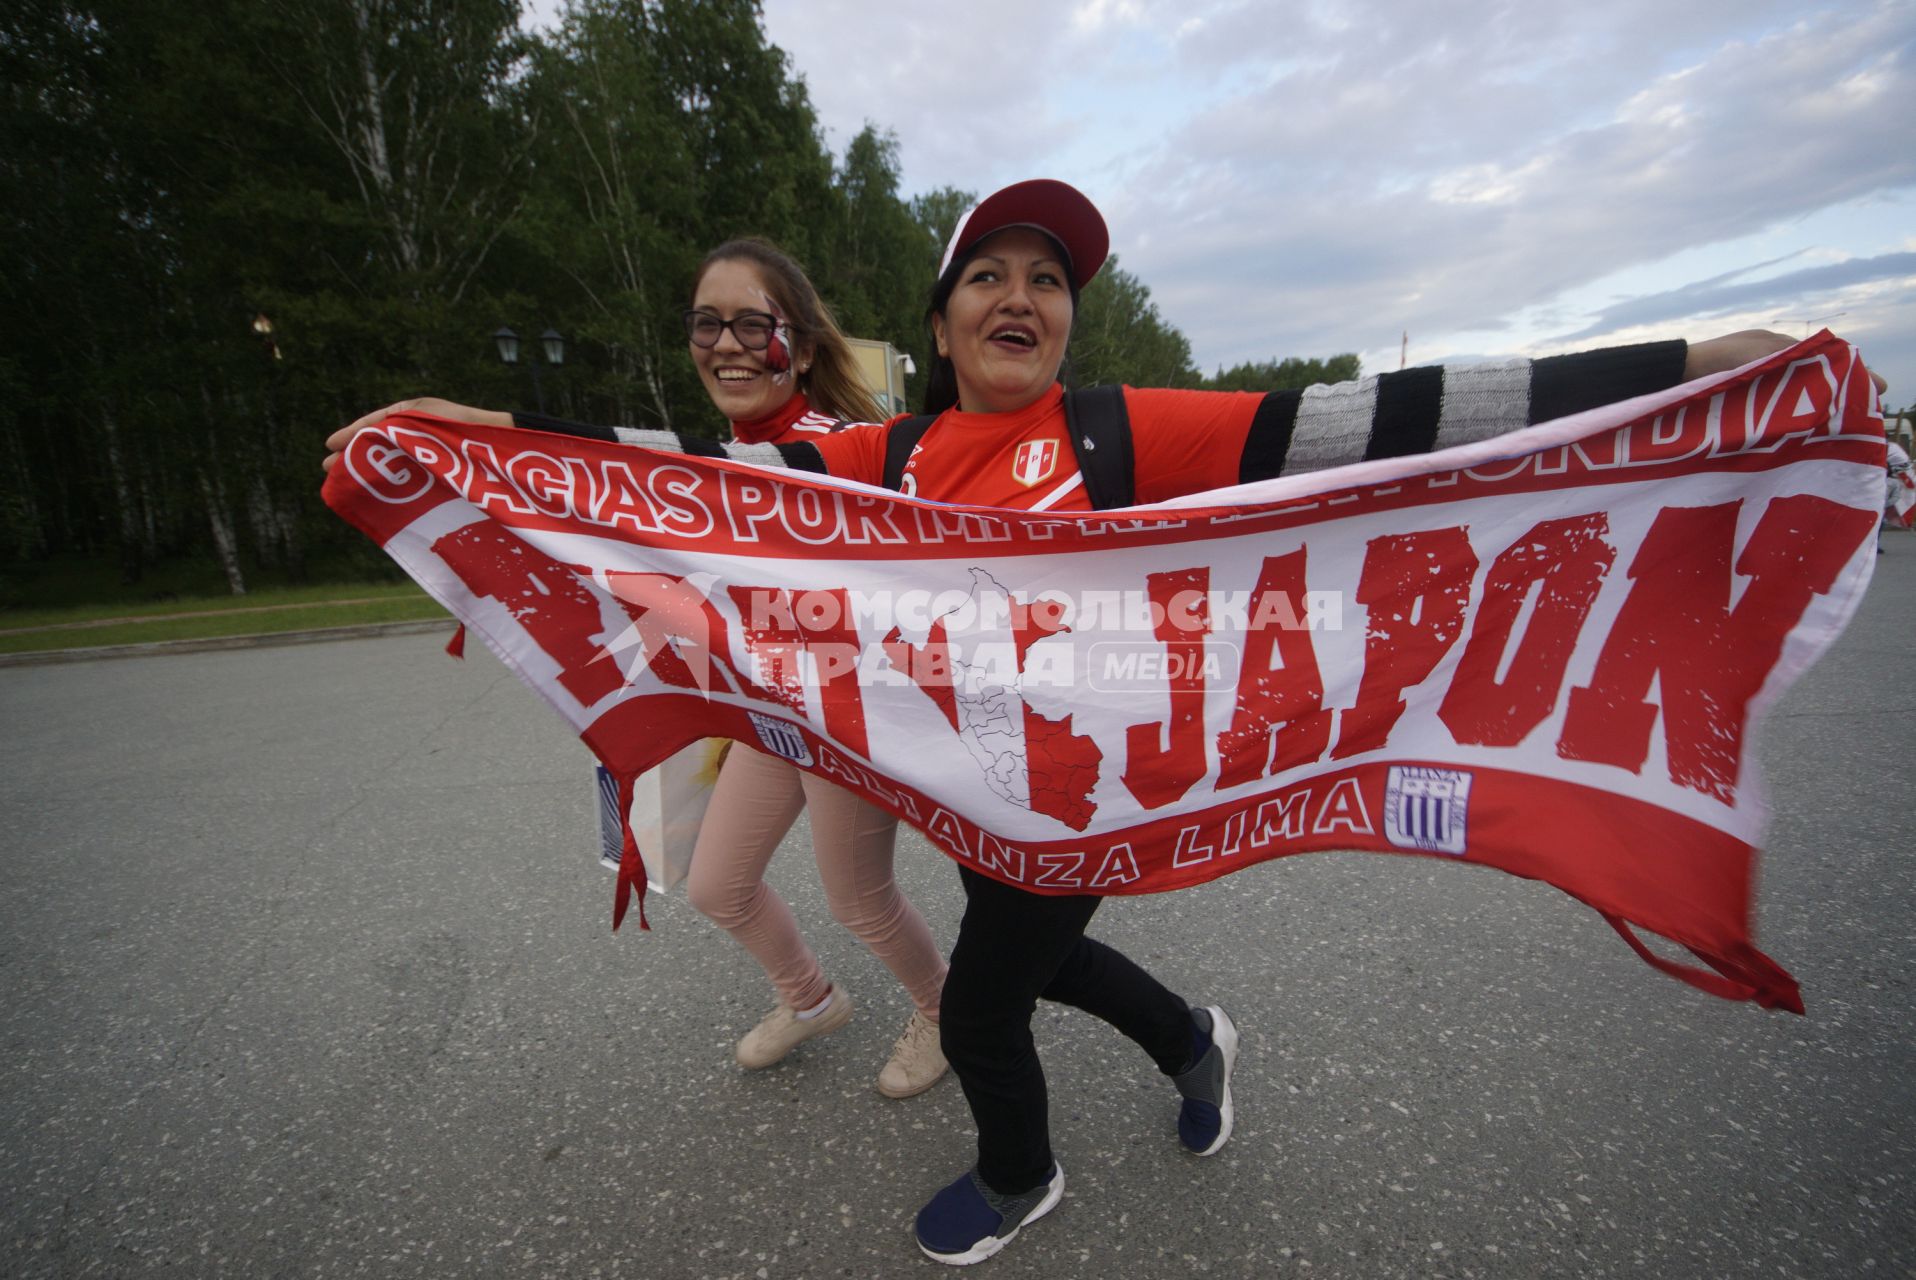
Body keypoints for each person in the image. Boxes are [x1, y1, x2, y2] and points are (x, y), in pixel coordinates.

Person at [325, 183, 1822, 1263]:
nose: (1021, 299)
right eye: (991, 274)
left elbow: (1392, 416)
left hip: (1098, 792)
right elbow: (693, 487)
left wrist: (1680, 369)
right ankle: (1193, 1036)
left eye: (1049, 279)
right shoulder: (882, 454)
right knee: (1035, 966)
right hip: (968, 793)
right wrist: (483, 434)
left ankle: (1021, 1175)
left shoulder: (1121, 431)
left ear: (1066, 321)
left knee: (982, 1004)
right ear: (942, 315)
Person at [347, 239, 951, 1099]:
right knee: (716, 883)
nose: (728, 344)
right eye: (708, 323)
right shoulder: (719, 447)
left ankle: (946, 1009)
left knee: (859, 899)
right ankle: (810, 998)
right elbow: (628, 497)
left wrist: (479, 428)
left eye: (754, 323)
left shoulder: (836, 449)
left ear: (805, 348)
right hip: (770, 716)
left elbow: (630, 465)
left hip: (844, 719)